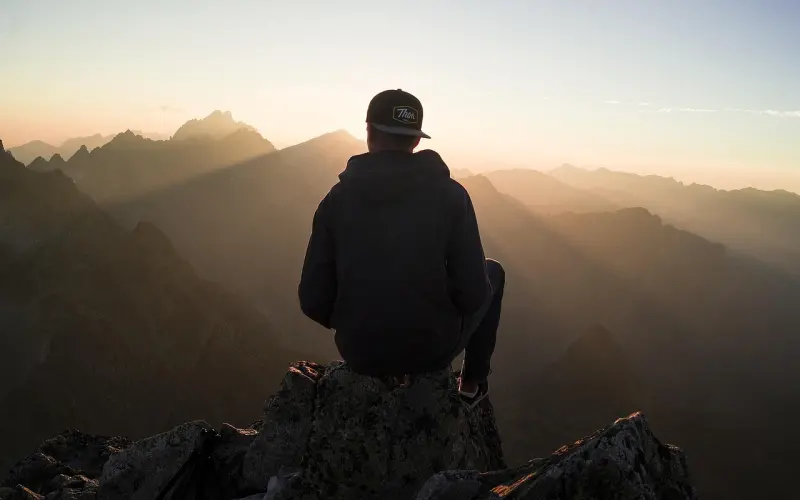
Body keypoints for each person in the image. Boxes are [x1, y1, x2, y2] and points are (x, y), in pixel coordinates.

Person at [298, 89, 505, 407]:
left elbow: (312, 299)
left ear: (368, 132)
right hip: (430, 352)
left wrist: (362, 320)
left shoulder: (336, 201)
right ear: (417, 140)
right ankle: (470, 385)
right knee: (494, 271)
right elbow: (474, 294)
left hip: (359, 351)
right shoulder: (452, 197)